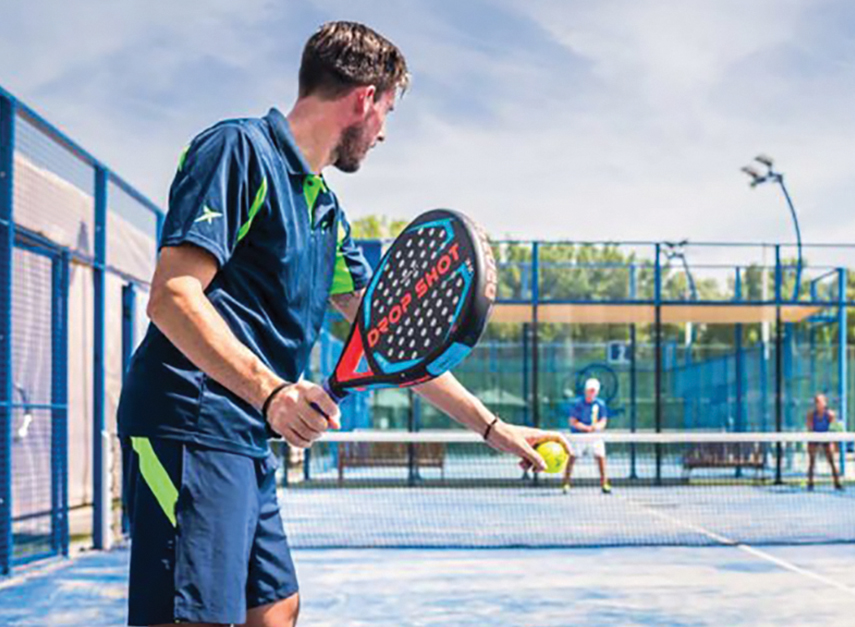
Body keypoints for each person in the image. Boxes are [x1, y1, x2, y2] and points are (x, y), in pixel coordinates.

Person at [116, 22, 565, 627]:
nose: (383, 134)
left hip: (247, 432)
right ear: (363, 99)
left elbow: (392, 339)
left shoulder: (324, 208)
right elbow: (172, 296)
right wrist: (273, 393)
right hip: (188, 420)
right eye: (387, 112)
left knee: (276, 608)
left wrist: (492, 427)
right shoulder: (237, 150)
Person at [562, 378, 611, 494]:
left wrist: (596, 427)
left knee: (601, 459)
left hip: (595, 437)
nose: (591, 393)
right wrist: (585, 428)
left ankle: (605, 484)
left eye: (594, 390)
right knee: (572, 458)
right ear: (585, 391)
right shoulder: (578, 404)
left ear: (597, 391)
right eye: (590, 390)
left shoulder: (600, 404)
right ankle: (566, 483)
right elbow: (573, 421)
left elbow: (603, 421)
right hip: (579, 437)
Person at [806, 394, 843, 491]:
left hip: (827, 438)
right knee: (811, 461)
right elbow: (809, 428)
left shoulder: (830, 415)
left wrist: (833, 442)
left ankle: (837, 483)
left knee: (832, 461)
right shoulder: (811, 415)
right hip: (815, 438)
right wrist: (813, 440)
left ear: (825, 403)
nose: (818, 403)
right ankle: (810, 483)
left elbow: (833, 428)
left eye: (820, 401)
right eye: (817, 401)